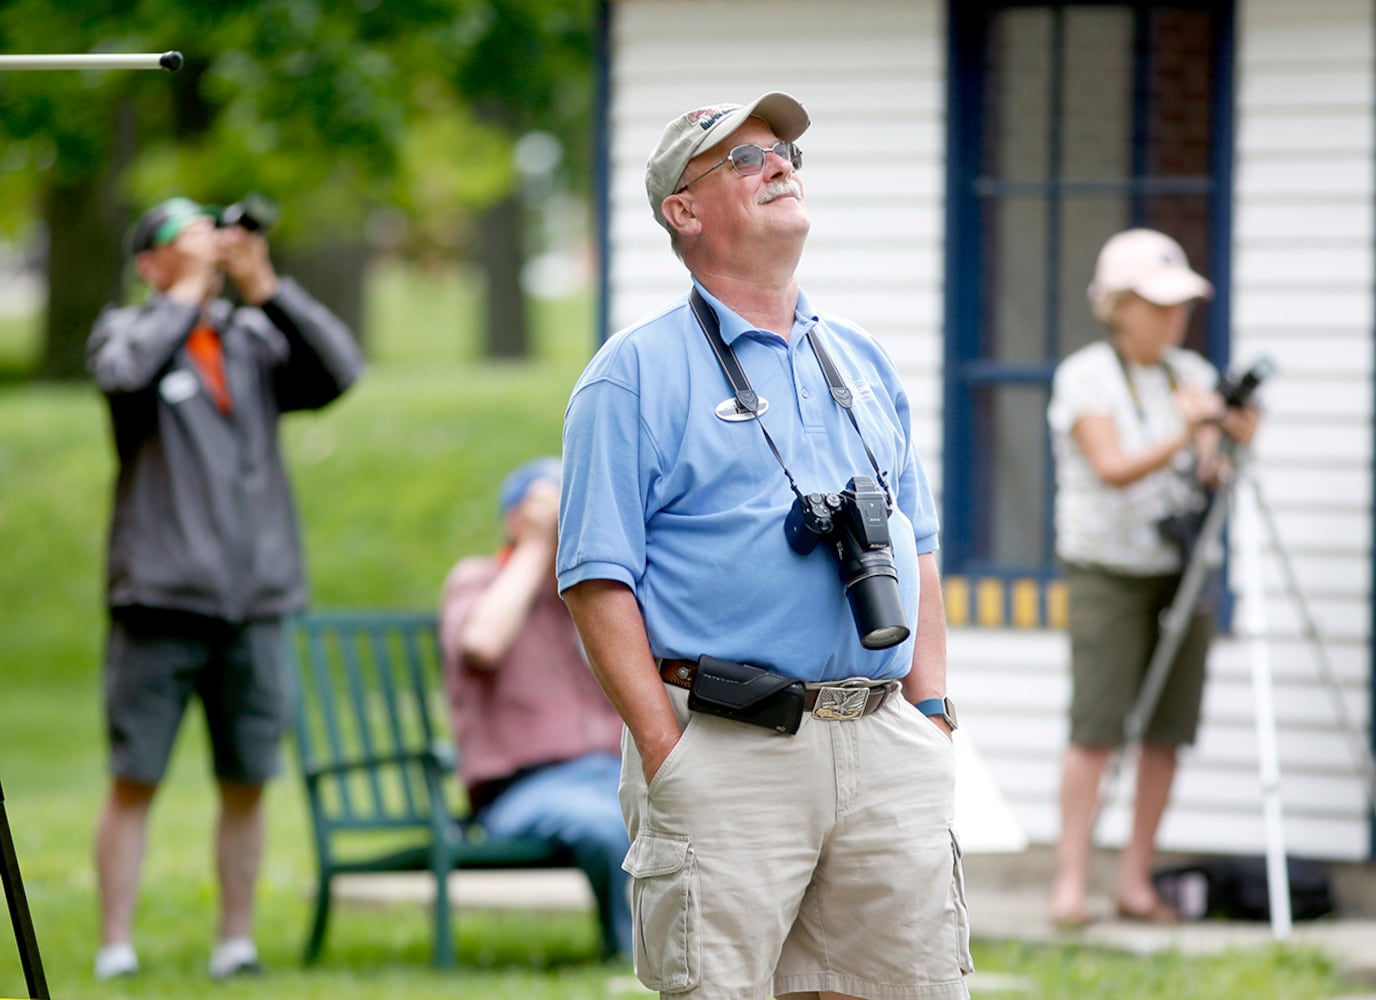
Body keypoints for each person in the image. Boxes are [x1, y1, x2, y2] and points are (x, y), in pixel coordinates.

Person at [557, 93, 972, 1000]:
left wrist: (930, 711)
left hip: (884, 740)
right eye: (745, 159)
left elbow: (921, 544)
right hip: (727, 743)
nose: (780, 163)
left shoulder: (861, 358)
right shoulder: (630, 375)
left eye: (784, 151)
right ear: (684, 210)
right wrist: (669, 754)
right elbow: (595, 580)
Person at [87, 197, 364, 980]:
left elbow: (340, 371)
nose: (208, 246)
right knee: (134, 776)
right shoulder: (124, 331)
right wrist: (183, 295)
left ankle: (236, 944)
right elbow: (124, 373)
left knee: (247, 778)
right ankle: (115, 946)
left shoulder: (250, 341)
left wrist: (264, 284)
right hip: (159, 599)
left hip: (257, 601)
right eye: (187, 238)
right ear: (150, 264)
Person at [1045, 228, 1261, 928]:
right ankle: (1070, 884)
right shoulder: (1086, 375)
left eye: (1180, 305)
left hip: (1184, 565)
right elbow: (1112, 467)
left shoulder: (1190, 371)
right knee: (1097, 726)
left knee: (1168, 728)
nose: (1175, 319)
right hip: (1107, 569)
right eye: (1159, 305)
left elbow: (1208, 468)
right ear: (1119, 305)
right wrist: (1183, 426)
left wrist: (1228, 436)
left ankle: (1135, 881)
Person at [438, 456, 632, 961]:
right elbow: (481, 643)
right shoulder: (478, 581)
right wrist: (536, 546)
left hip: (614, 775)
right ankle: (641, 963)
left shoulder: (596, 597)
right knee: (609, 825)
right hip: (524, 791)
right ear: (513, 521)